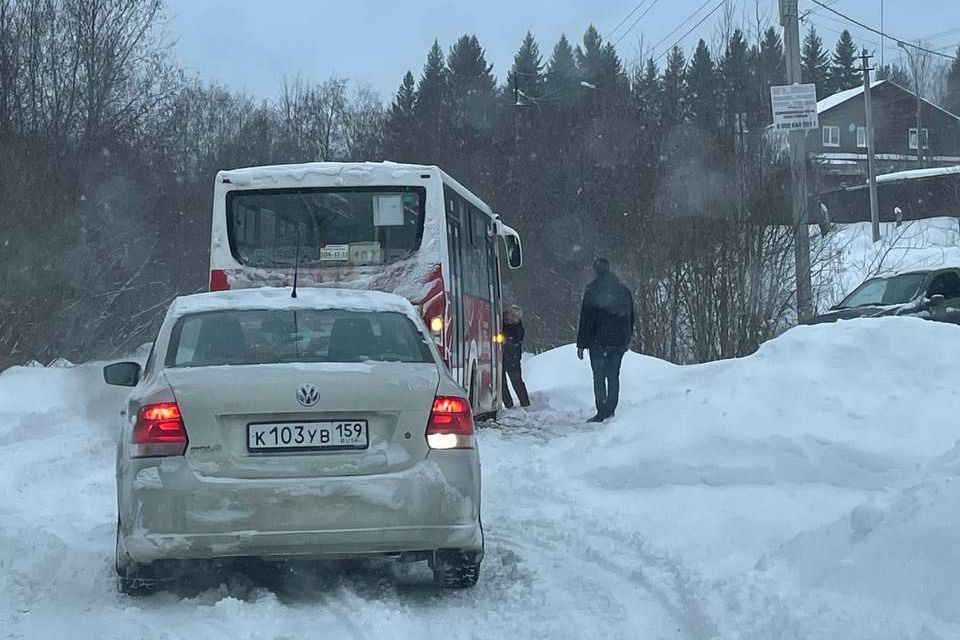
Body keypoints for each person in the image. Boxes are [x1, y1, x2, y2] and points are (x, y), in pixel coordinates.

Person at [576, 258, 634, 422]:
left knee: (599, 376)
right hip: (619, 342)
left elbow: (586, 320)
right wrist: (627, 336)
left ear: (595, 271)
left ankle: (602, 410)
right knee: (613, 375)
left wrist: (581, 344)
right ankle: (611, 409)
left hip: (598, 343)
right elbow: (631, 315)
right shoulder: (623, 290)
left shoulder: (592, 291)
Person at [501, 305, 531, 409]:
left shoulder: (518, 328)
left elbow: (514, 341)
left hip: (513, 357)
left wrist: (505, 341)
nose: (513, 318)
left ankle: (525, 404)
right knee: (501, 383)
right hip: (501, 357)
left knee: (517, 381)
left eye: (516, 317)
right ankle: (508, 404)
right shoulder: (499, 322)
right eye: (512, 315)